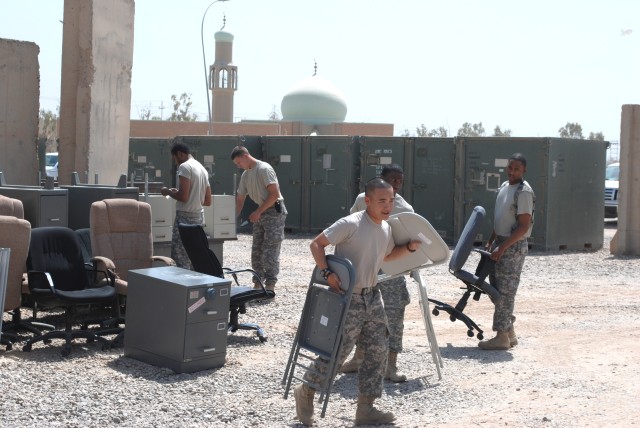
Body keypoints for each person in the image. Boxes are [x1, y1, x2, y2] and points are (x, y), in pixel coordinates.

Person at [294, 178, 421, 427]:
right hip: (348, 296)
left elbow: (387, 256)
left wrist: (410, 248)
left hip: (372, 296)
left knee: (378, 349)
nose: (388, 205)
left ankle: (366, 408)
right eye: (382, 200)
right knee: (338, 351)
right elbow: (317, 244)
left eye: (391, 200)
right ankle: (307, 390)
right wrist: (327, 273)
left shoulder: (385, 229)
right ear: (368, 201)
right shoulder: (350, 223)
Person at [340, 164, 413, 382]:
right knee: (360, 313)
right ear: (381, 179)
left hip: (391, 269)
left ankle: (390, 365)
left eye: (400, 181)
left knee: (393, 314)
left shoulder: (405, 209)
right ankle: (358, 358)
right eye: (392, 180)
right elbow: (351, 227)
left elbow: (409, 239)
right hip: (364, 266)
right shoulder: (364, 199)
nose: (396, 185)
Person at [479, 153, 535, 350]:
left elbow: (523, 226)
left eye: (517, 169)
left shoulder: (524, 192)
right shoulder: (504, 187)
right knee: (496, 290)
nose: (512, 172)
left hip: (513, 245)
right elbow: (501, 218)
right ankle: (509, 332)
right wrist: (491, 241)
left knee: (505, 292)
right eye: (510, 168)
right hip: (501, 243)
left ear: (524, 171)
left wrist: (502, 247)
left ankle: (501, 336)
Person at [231, 146, 287, 291]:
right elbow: (241, 197)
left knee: (270, 250)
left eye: (238, 162)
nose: (238, 166)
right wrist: (233, 218)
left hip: (273, 212)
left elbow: (274, 194)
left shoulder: (264, 169)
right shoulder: (245, 175)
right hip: (261, 212)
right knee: (257, 250)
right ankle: (258, 282)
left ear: (245, 156)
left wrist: (258, 212)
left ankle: (270, 285)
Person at [160, 142, 212, 269]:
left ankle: (182, 288)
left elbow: (183, 197)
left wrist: (167, 192)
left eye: (175, 159)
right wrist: (189, 195)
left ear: (180, 154)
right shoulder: (202, 169)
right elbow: (207, 201)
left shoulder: (185, 167)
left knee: (180, 258)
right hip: (199, 218)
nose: (176, 163)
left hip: (184, 218)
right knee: (194, 256)